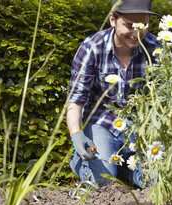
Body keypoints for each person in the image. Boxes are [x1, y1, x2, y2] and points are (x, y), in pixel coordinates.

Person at [66, 0, 159, 188]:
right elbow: (76, 101)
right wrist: (77, 134)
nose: (136, 33)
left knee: (156, 182)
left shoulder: (154, 48)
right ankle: (83, 163)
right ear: (112, 20)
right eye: (129, 25)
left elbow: (162, 98)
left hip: (140, 128)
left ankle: (126, 170)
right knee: (103, 182)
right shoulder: (92, 48)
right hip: (103, 123)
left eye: (142, 26)